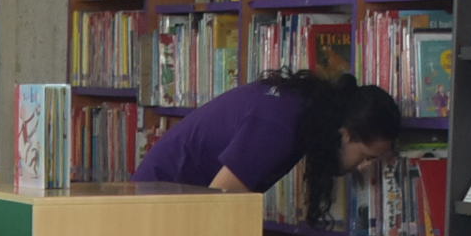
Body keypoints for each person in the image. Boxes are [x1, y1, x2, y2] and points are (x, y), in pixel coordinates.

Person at [136, 69, 401, 196]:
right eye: (367, 156)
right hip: (158, 206)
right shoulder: (280, 126)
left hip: (172, 201)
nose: (364, 167)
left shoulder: (302, 113)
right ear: (345, 134)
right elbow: (219, 210)